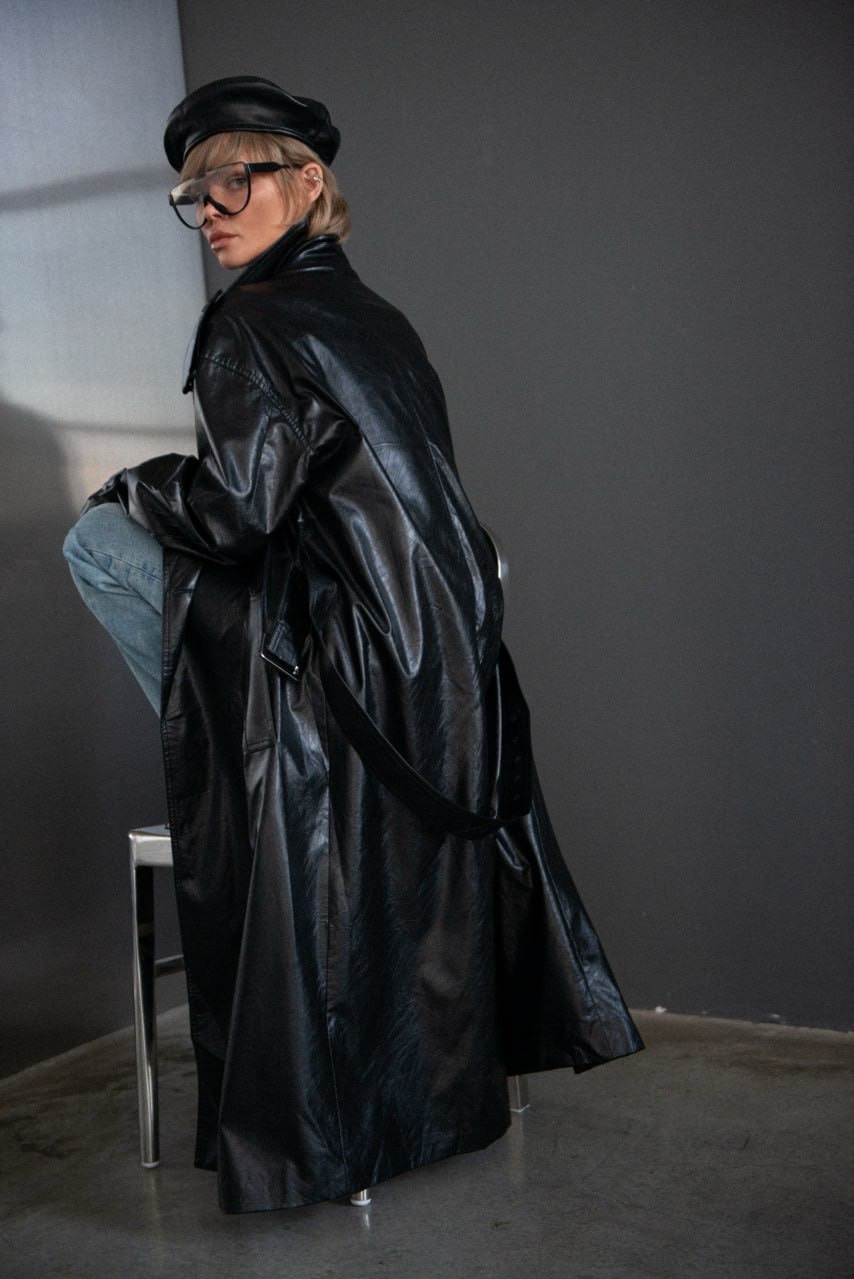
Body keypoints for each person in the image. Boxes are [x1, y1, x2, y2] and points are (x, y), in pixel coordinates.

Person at [63, 76, 642, 1214]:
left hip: (343, 678)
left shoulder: (249, 320)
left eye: (233, 181)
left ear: (306, 179)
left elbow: (238, 514)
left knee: (94, 539)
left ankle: (219, 749)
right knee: (196, 574)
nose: (209, 210)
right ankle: (223, 733)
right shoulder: (377, 316)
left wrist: (139, 483)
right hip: (443, 680)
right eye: (193, 195)